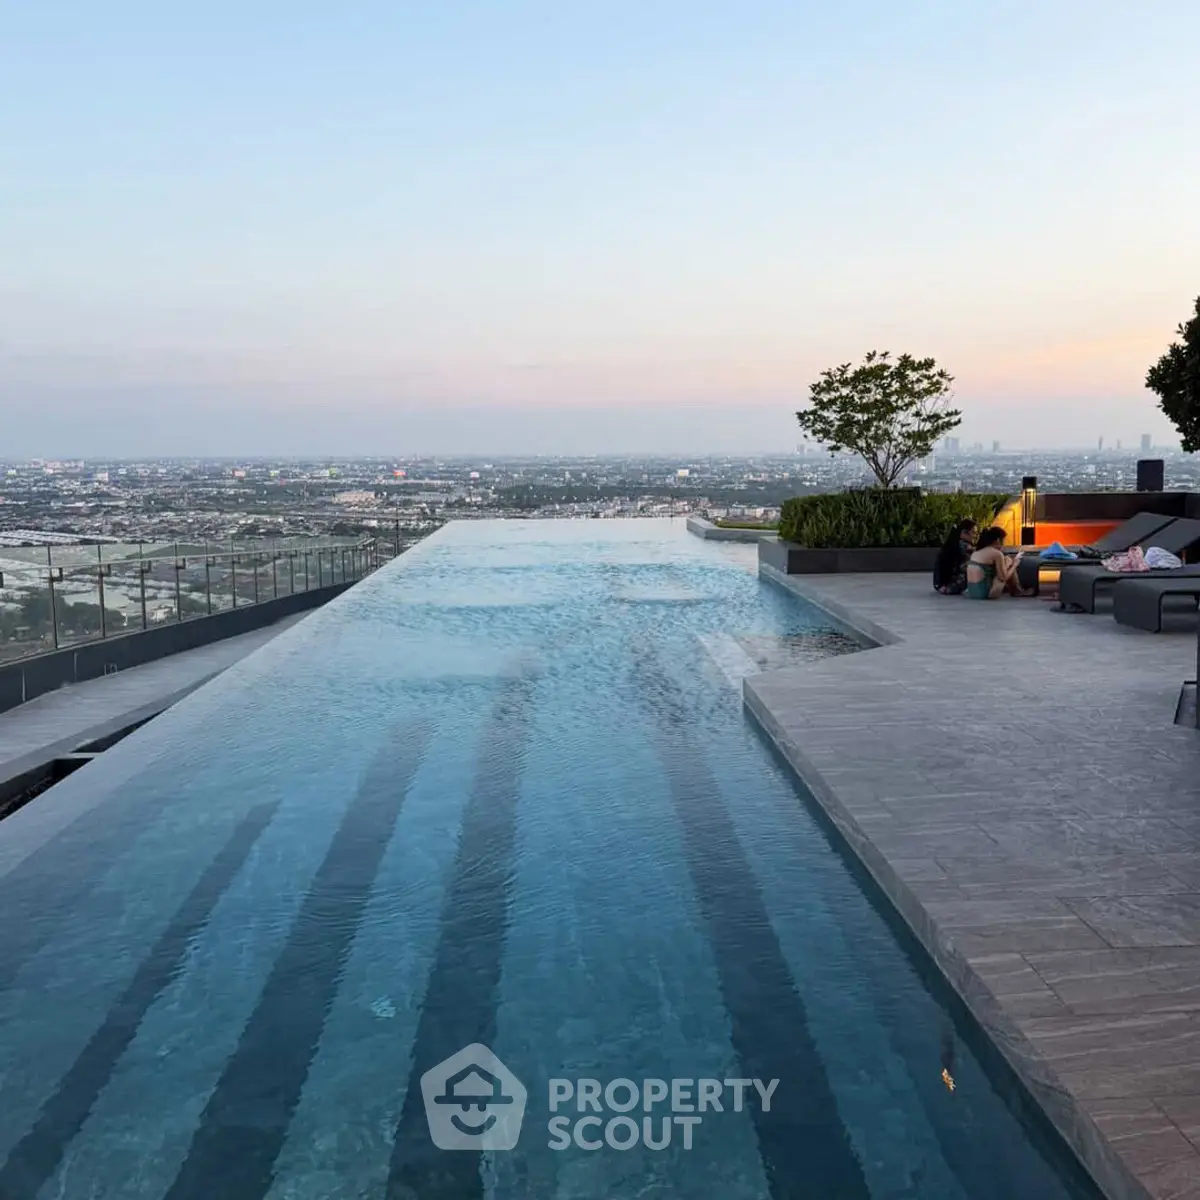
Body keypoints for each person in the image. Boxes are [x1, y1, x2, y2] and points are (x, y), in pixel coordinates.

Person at [966, 526, 1032, 598]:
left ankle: (1016, 589)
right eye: (1003, 540)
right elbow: (1003, 578)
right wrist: (1014, 565)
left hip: (973, 592)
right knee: (1008, 562)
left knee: (1007, 559)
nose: (1003, 543)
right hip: (985, 594)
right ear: (998, 540)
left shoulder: (976, 552)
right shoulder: (997, 553)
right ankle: (1018, 590)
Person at [933, 519, 977, 594]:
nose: (974, 536)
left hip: (941, 585)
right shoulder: (965, 545)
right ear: (964, 532)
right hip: (953, 586)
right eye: (973, 533)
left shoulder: (951, 543)